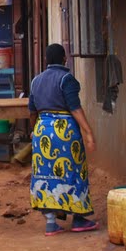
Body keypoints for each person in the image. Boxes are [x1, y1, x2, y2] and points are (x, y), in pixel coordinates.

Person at [28, 43, 98, 236]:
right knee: (73, 172)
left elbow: (32, 112)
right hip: (64, 132)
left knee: (45, 176)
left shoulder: (36, 81)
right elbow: (75, 109)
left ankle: (51, 223)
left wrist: (34, 131)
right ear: (64, 59)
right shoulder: (67, 79)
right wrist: (89, 132)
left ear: (46, 60)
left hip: (42, 130)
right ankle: (78, 219)